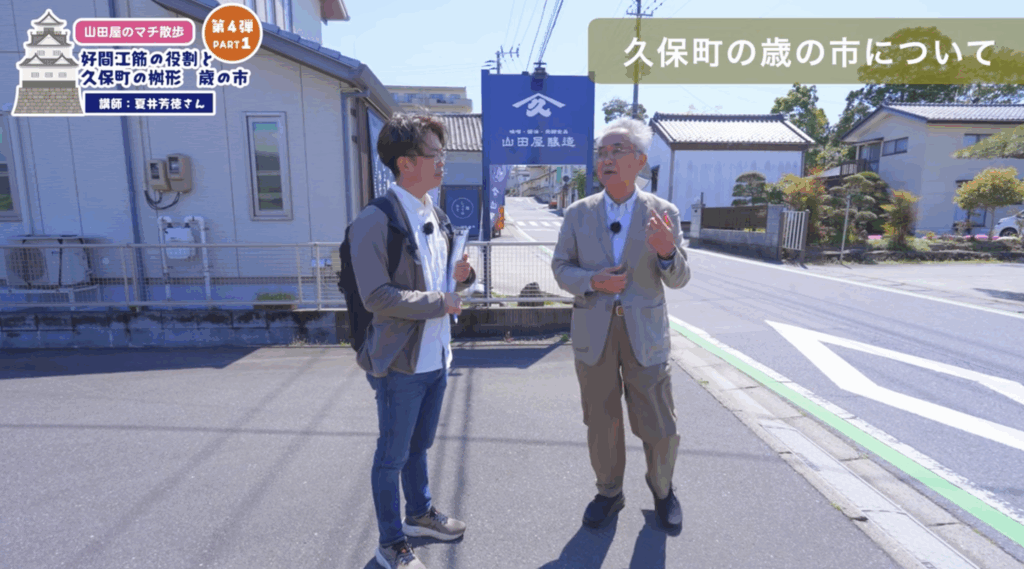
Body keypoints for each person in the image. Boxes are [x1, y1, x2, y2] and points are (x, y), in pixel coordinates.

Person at [349, 113, 476, 569]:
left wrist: (464, 276)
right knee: (392, 456)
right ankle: (390, 544)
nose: (443, 162)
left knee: (418, 446)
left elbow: (446, 281)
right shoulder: (374, 220)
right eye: (434, 154)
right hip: (400, 362)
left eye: (442, 154)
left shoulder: (435, 213)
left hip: (437, 355)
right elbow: (377, 296)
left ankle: (419, 514)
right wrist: (441, 302)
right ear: (405, 163)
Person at [552, 117, 691, 532]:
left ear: (640, 161)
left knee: (659, 421)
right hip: (593, 331)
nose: (606, 159)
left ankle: (663, 490)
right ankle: (609, 492)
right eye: (602, 153)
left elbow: (679, 279)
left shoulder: (663, 213)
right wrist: (592, 281)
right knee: (601, 419)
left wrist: (667, 252)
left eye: (617, 151)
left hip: (644, 333)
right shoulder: (578, 213)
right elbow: (560, 267)